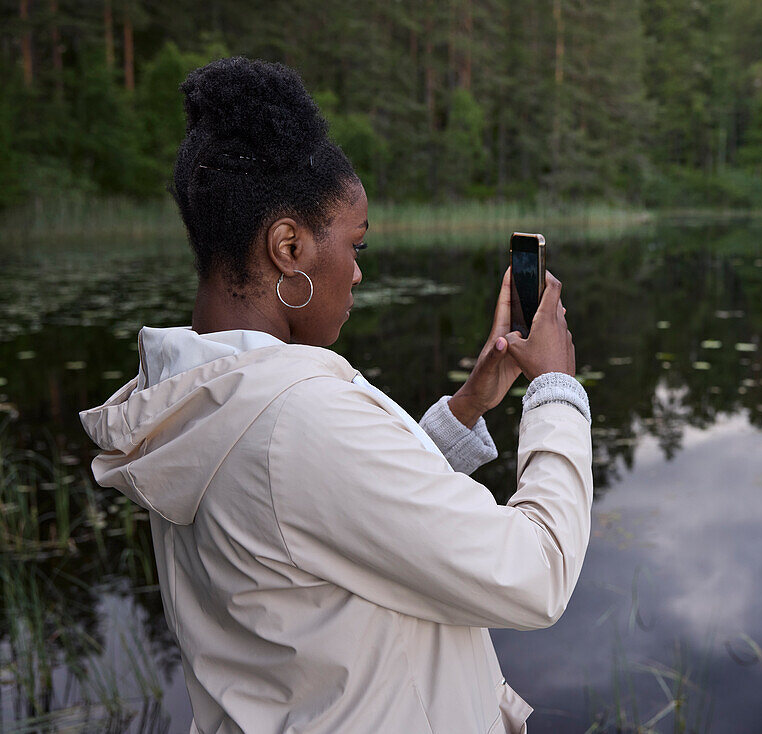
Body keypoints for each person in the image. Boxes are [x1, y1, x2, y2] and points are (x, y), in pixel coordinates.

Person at [78, 57, 592, 734]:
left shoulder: (196, 396)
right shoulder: (297, 422)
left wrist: (467, 408)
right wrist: (556, 391)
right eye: (354, 245)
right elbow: (536, 573)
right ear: (288, 246)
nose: (355, 272)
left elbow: (319, 509)